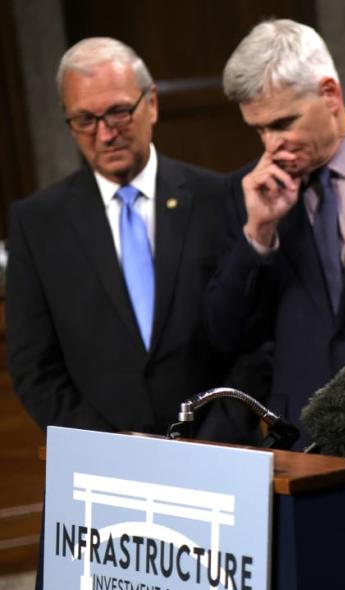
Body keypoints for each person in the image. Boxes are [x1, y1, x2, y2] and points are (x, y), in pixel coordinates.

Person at [6, 37, 261, 441]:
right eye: (85, 120)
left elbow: (255, 339)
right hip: (103, 464)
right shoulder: (37, 223)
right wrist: (108, 447)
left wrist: (216, 437)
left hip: (220, 452)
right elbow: (33, 366)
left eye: (119, 113)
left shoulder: (219, 199)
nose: (105, 134)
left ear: (152, 104)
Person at [206, 19, 345, 450]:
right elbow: (225, 335)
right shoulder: (247, 190)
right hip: (299, 435)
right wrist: (258, 233)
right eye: (259, 129)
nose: (271, 145)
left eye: (283, 123)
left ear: (330, 94)